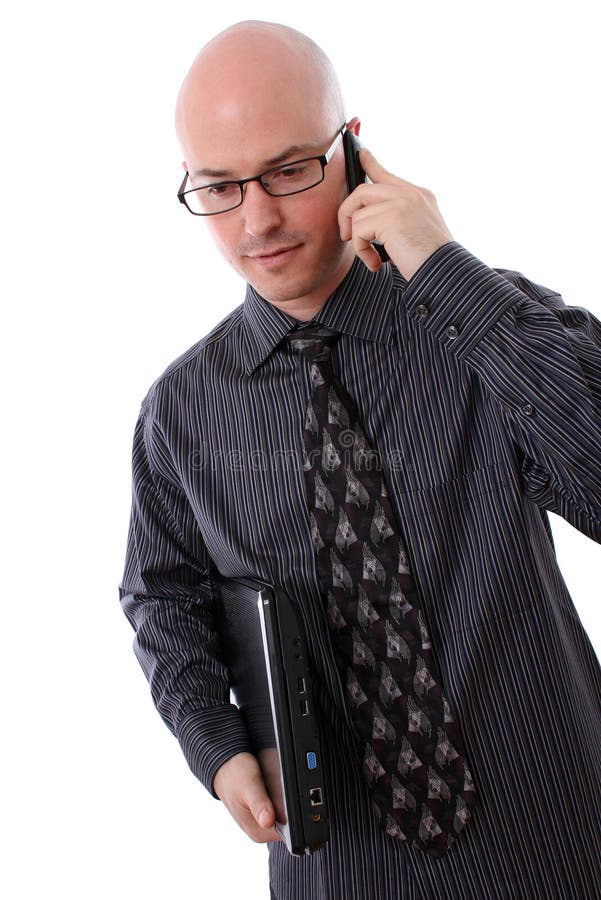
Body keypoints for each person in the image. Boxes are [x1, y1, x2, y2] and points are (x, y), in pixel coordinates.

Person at [118, 19, 601, 900]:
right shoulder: (181, 411)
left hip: (562, 842)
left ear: (354, 152)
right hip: (341, 870)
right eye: (219, 187)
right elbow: (161, 599)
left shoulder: (489, 328)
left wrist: (446, 270)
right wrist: (215, 748)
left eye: (289, 169)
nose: (255, 219)